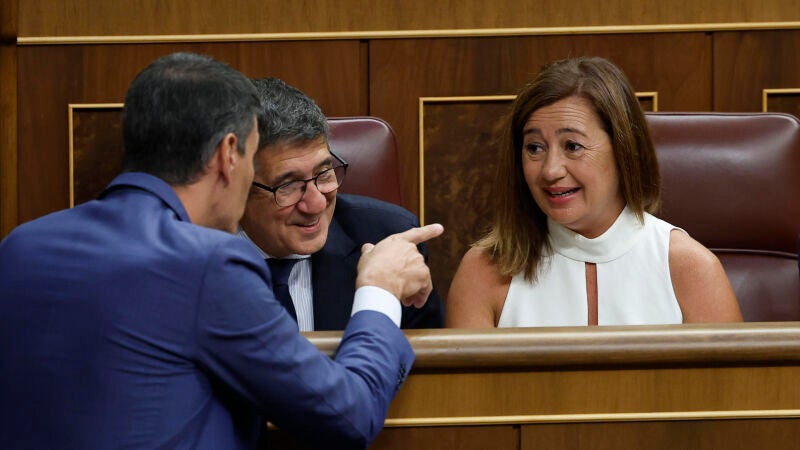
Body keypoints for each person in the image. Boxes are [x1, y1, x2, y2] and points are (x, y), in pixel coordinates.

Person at [0, 52, 443, 450]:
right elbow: (347, 417)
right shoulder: (208, 263)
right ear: (229, 155)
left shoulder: (21, 247)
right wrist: (379, 290)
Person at [446, 56, 742, 328]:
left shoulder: (691, 268)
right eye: (534, 148)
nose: (550, 170)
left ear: (623, 150)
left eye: (573, 146)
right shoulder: (483, 270)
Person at [239, 77, 444, 331]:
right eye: (288, 185)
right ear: (237, 187)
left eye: (324, 173)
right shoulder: (196, 261)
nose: (316, 204)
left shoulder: (389, 240)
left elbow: (423, 355)